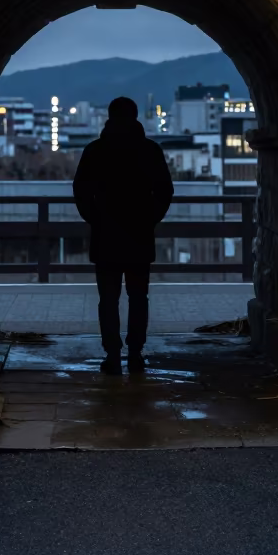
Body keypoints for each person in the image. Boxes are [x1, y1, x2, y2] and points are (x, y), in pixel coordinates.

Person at [73, 96, 174, 375]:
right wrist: (149, 217)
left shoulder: (95, 151)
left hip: (105, 235)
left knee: (108, 299)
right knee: (138, 297)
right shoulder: (150, 150)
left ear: (109, 115)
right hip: (139, 235)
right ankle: (136, 352)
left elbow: (81, 191)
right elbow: (165, 191)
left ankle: (113, 353)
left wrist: (96, 217)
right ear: (136, 115)